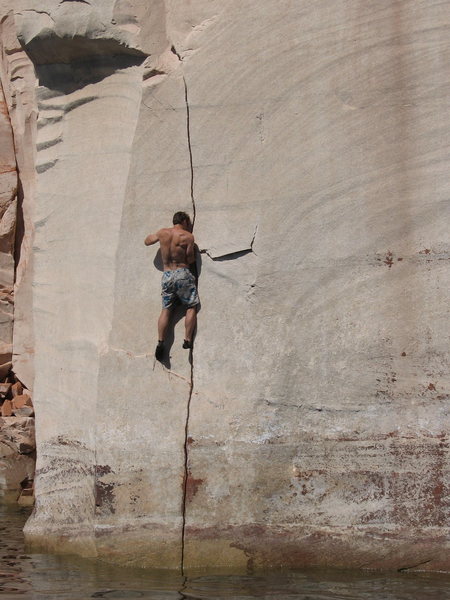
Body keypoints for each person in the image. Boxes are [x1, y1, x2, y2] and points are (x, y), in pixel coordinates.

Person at [144, 211, 199, 360]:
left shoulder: (163, 233)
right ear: (185, 222)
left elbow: (147, 241)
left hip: (167, 275)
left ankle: (161, 342)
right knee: (191, 306)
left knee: (166, 310)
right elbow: (190, 258)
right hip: (182, 273)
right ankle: (187, 340)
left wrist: (157, 239)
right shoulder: (188, 237)